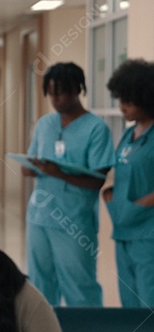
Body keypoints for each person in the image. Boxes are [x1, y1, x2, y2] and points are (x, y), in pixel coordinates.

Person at [22, 62, 113, 306]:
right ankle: (43, 329)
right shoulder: (45, 124)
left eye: (60, 93)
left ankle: (88, 329)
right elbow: (33, 157)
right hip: (39, 216)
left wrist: (59, 173)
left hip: (74, 220)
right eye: (50, 93)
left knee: (78, 284)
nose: (55, 99)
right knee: (40, 282)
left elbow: (97, 181)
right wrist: (28, 168)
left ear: (77, 89)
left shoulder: (96, 129)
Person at [104, 58, 154, 308]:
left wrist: (140, 205)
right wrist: (111, 196)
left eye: (129, 101)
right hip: (124, 229)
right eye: (120, 99)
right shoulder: (128, 134)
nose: (122, 106)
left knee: (148, 300)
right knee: (129, 302)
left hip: (147, 233)